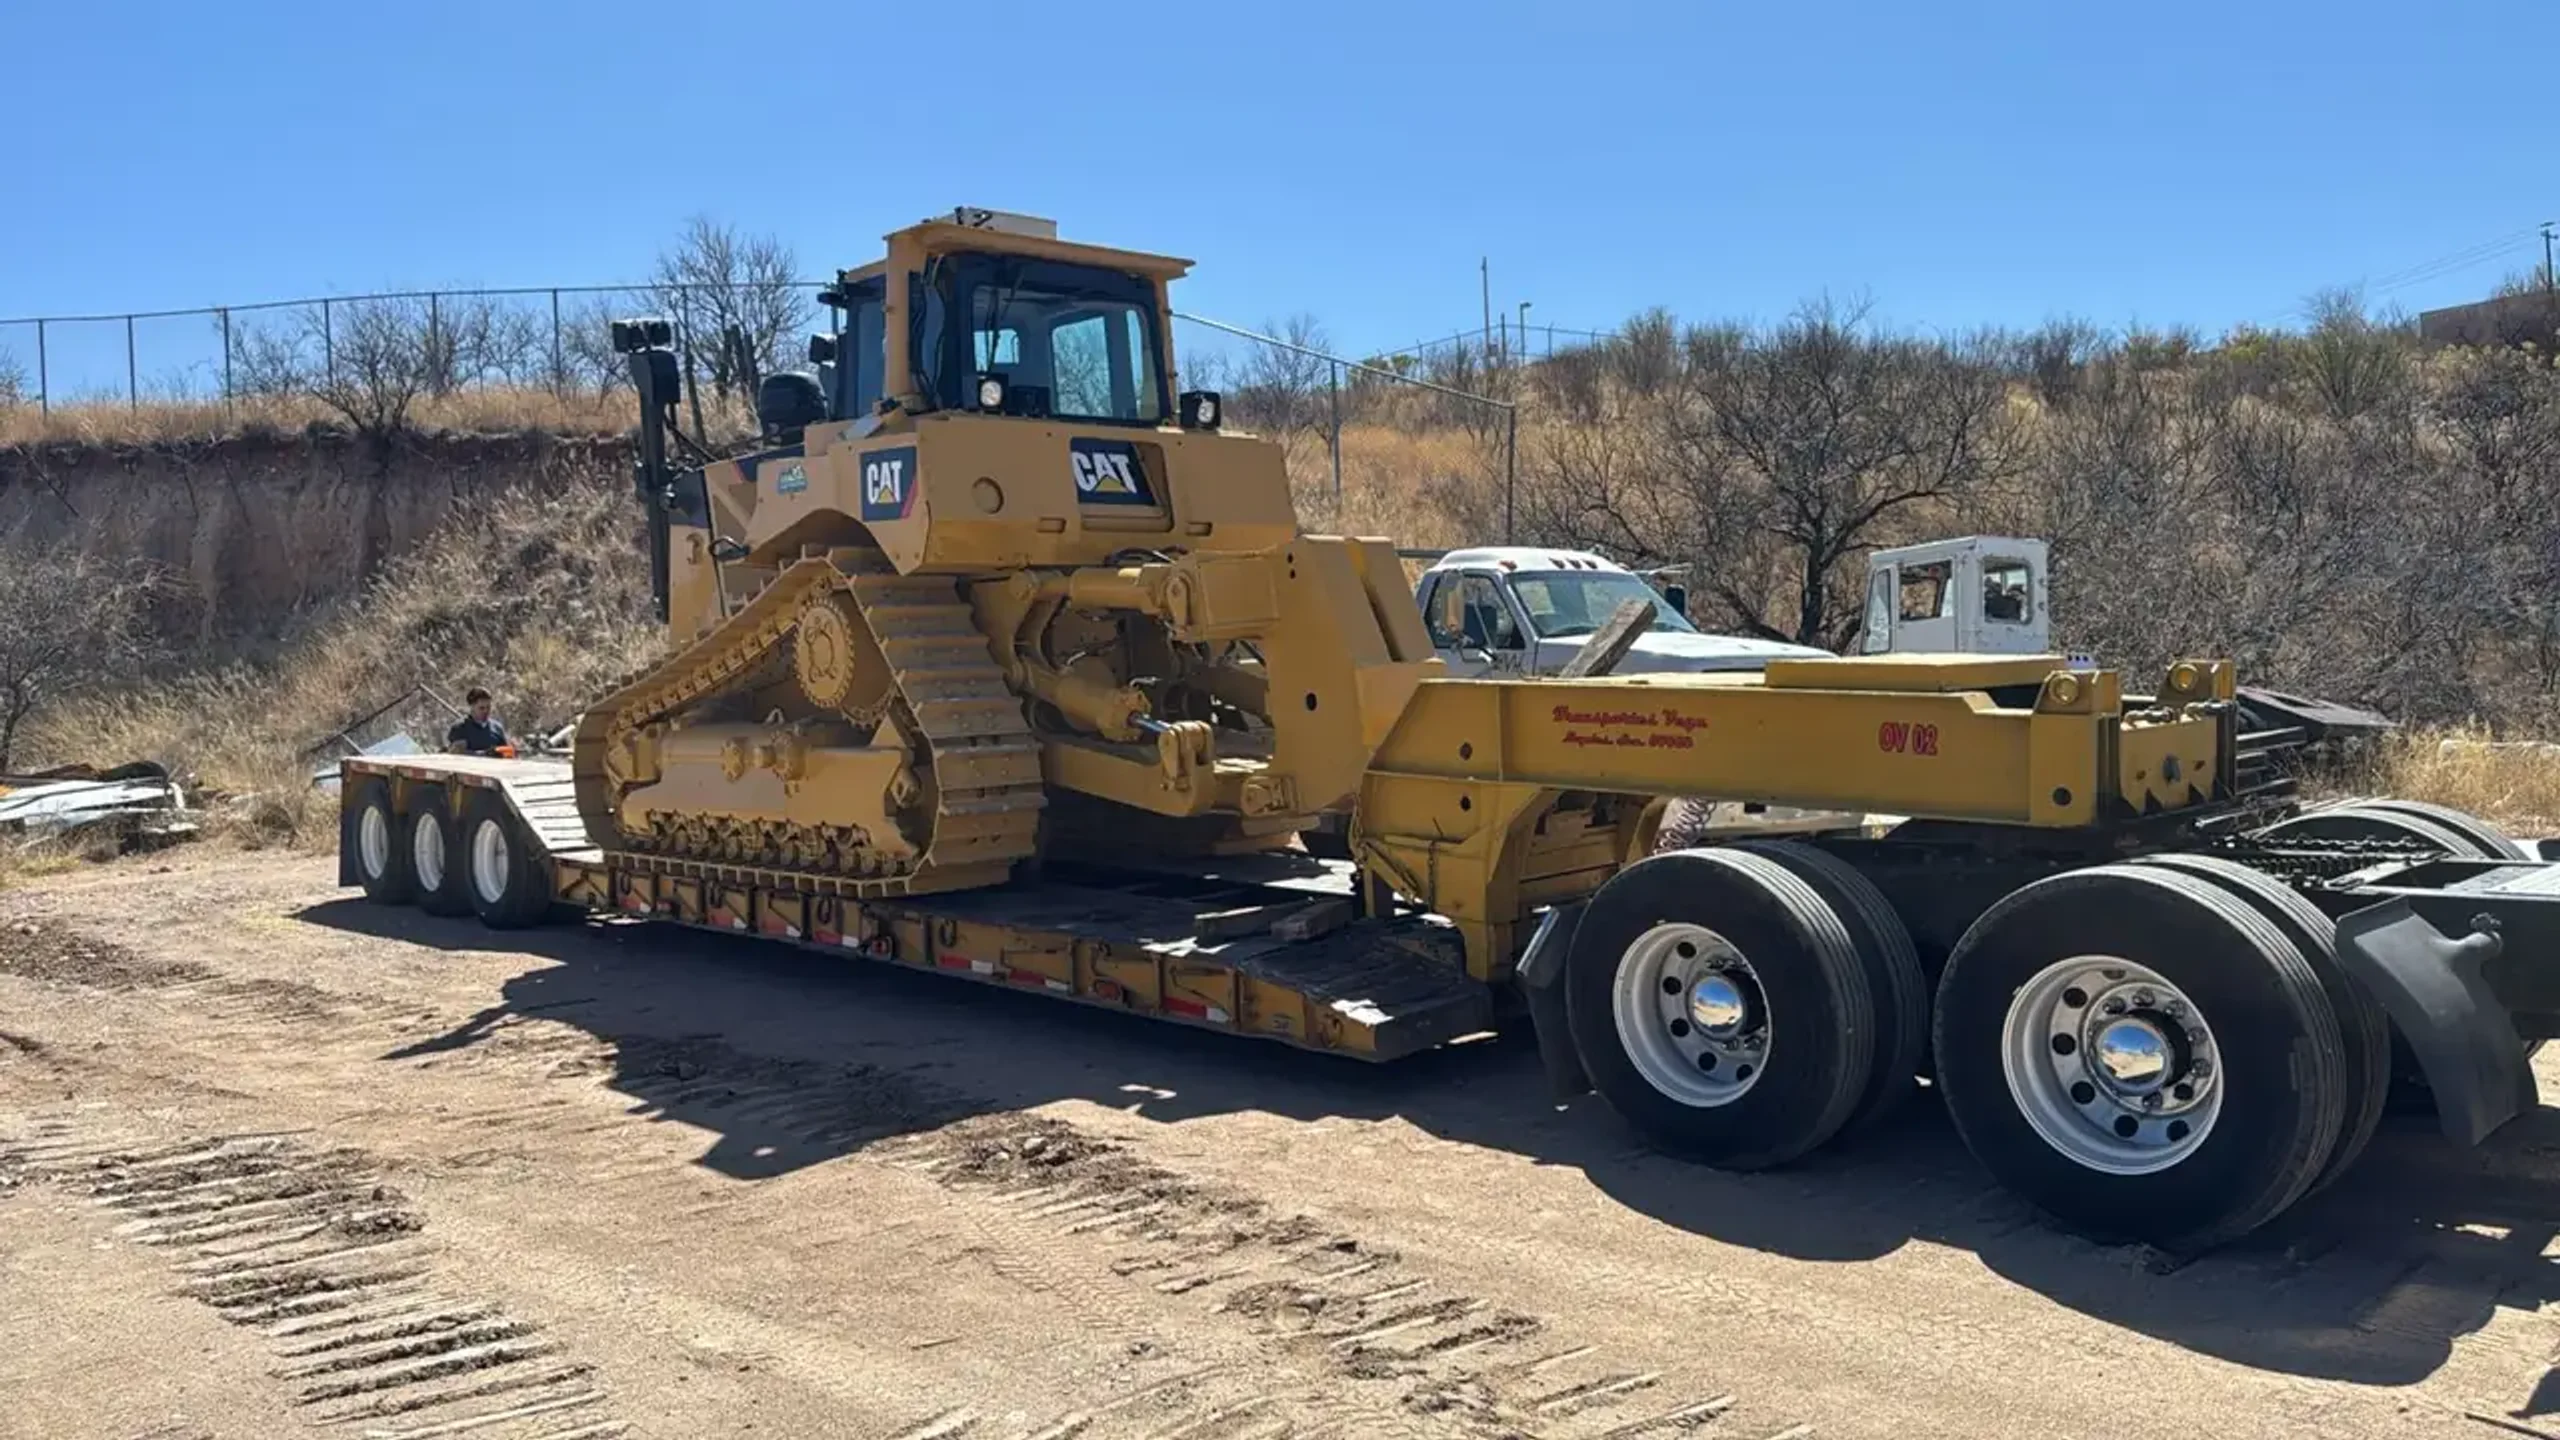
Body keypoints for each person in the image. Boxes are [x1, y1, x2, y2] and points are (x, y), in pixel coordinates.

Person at [446, 688, 510, 756]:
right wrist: (483, 754)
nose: (486, 711)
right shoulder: (460, 728)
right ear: (472, 706)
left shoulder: (497, 728)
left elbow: (506, 753)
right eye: (481, 708)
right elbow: (456, 754)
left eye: (488, 707)